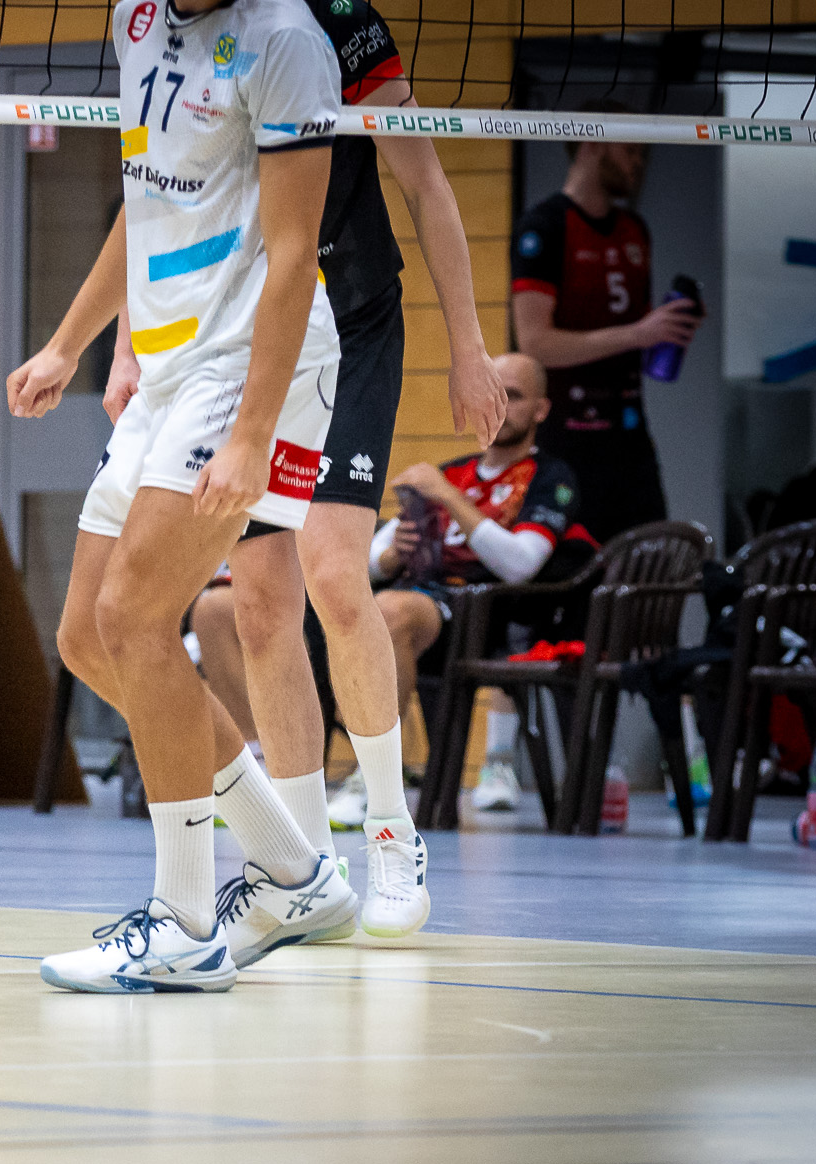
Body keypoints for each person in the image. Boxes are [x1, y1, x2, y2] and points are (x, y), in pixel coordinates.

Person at [105, 0, 495, 932]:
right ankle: (304, 872)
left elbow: (428, 185)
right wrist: (127, 345)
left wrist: (470, 349)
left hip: (350, 324)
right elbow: (156, 196)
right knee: (260, 602)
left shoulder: (333, 26)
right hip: (242, 331)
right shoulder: (166, 27)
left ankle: (393, 835)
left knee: (332, 573)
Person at [7, 0, 360, 992]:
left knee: (136, 616)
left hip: (252, 364)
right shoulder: (136, 20)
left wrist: (253, 432)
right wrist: (68, 340)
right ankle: (293, 871)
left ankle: (185, 925)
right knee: (86, 634)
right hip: (166, 365)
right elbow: (145, 199)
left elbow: (293, 253)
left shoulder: (285, 44)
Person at [370, 353, 588, 814]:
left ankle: (378, 784)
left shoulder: (550, 477)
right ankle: (370, 780)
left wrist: (449, 498)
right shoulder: (453, 470)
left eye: (513, 395)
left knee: (388, 612)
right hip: (428, 604)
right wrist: (394, 555)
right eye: (491, 393)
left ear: (541, 410)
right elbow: (370, 563)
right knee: (361, 610)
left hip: (497, 613)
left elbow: (521, 563)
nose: (500, 406)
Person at [511, 122, 701, 547]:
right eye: (630, 150)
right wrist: (638, 333)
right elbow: (535, 343)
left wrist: (666, 328)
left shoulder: (635, 230)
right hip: (569, 441)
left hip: (630, 441)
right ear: (593, 143)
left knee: (651, 569)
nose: (638, 163)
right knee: (575, 577)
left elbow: (637, 334)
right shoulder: (543, 227)